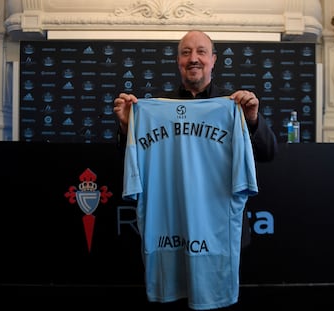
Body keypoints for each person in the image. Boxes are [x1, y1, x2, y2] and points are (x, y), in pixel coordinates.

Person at [114, 30, 278, 311]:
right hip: (170, 230)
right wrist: (128, 127)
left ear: (213, 60)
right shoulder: (151, 109)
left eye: (201, 51)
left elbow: (269, 153)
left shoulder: (234, 107)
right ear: (178, 61)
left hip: (221, 236)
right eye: (186, 52)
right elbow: (133, 164)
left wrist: (251, 120)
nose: (194, 58)